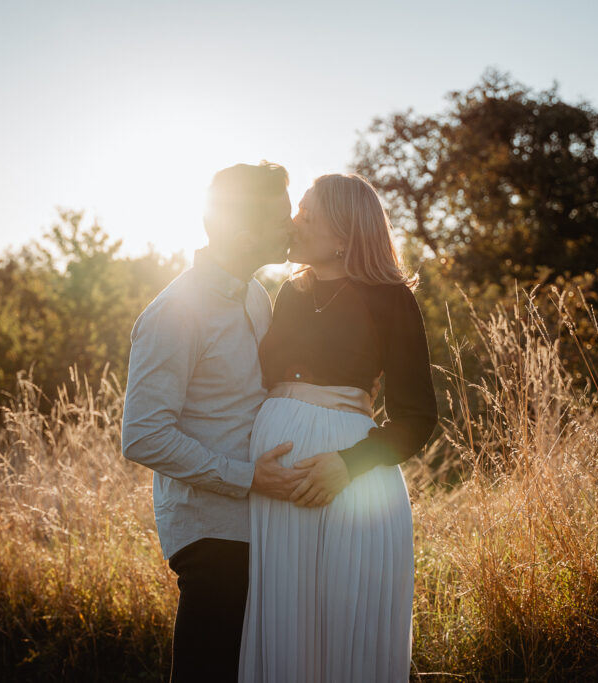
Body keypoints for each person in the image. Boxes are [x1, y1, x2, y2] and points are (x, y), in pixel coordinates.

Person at [238, 173, 438, 682]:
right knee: (286, 636)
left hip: (349, 488)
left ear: (344, 232)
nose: (294, 220)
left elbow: (417, 417)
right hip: (277, 492)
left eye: (307, 212)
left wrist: (346, 466)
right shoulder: (288, 293)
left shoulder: (391, 300)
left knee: (345, 639)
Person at [122, 162, 308, 682]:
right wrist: (247, 476)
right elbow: (142, 434)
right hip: (212, 533)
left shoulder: (254, 294)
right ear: (246, 233)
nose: (291, 226)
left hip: (260, 524)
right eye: (280, 217)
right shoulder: (175, 312)